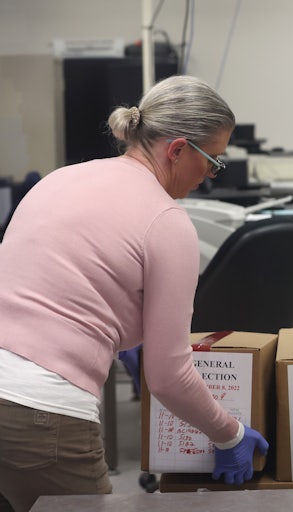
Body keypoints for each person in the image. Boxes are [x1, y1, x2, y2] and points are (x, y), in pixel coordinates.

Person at [0, 75, 268, 512]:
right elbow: (168, 378)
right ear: (178, 149)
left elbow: (56, 282)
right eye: (213, 161)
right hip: (40, 411)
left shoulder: (61, 178)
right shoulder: (167, 221)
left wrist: (124, 337)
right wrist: (229, 433)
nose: (212, 176)